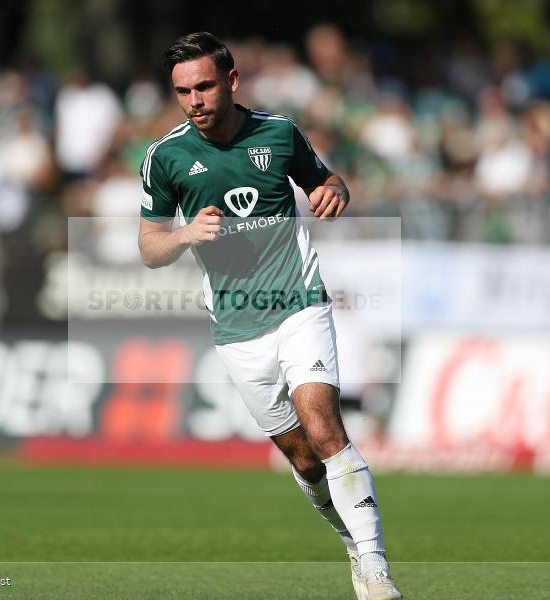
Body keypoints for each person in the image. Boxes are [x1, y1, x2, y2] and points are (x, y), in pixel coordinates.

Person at [137, 32, 403, 600]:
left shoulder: (279, 133)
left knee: (324, 426)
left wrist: (336, 193)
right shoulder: (166, 157)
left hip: (298, 302)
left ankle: (377, 569)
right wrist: (184, 234)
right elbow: (149, 247)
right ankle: (351, 541)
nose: (195, 100)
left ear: (231, 81)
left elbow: (327, 182)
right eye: (183, 91)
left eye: (205, 86)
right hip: (235, 326)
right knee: (303, 459)